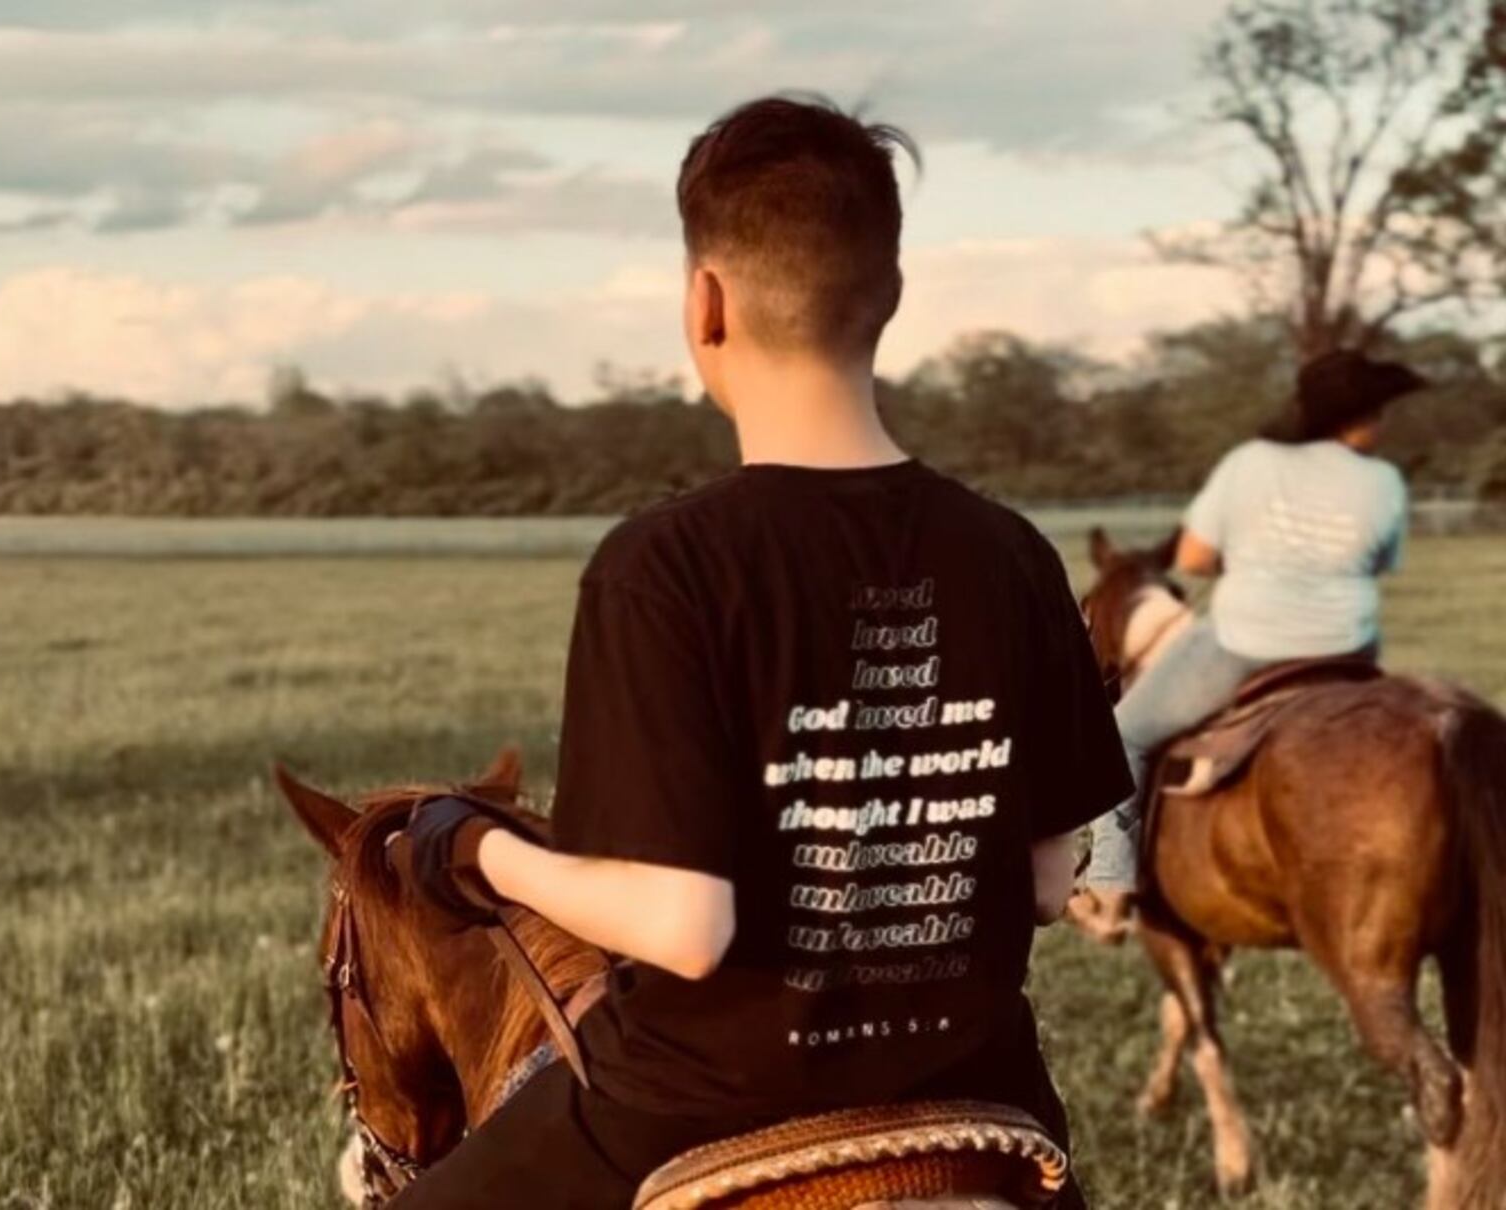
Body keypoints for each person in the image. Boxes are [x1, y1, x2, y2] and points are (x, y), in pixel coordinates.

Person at [387, 95, 1131, 1210]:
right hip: (984, 1085)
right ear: (887, 295)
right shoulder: (1014, 552)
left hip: (696, 1101)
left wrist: (470, 852)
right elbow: (1036, 884)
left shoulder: (663, 564)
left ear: (704, 302)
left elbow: (683, 928)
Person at [1076, 349, 1425, 940]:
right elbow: (1381, 560)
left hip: (1248, 644)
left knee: (1122, 735)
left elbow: (1192, 558)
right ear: (1359, 417)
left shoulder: (1251, 462)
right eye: (1380, 412)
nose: (1384, 425)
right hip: (1349, 653)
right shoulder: (1384, 480)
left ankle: (1110, 885)